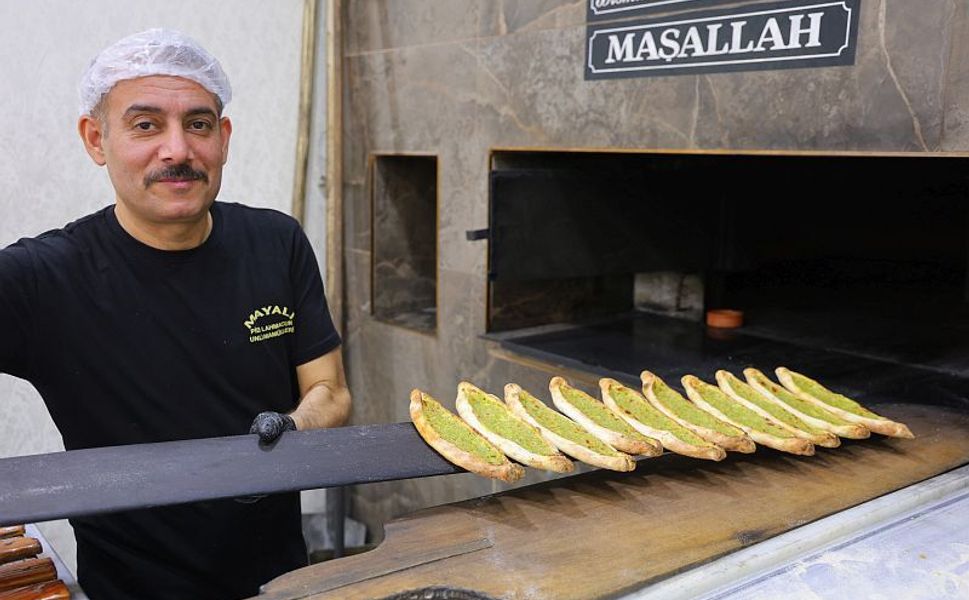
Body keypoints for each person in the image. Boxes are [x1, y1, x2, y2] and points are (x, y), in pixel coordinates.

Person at [0, 29, 351, 599]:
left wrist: (294, 428)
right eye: (145, 125)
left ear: (223, 138)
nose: (178, 151)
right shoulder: (43, 278)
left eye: (198, 124)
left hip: (283, 582)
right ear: (96, 139)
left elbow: (329, 390)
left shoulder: (276, 242)